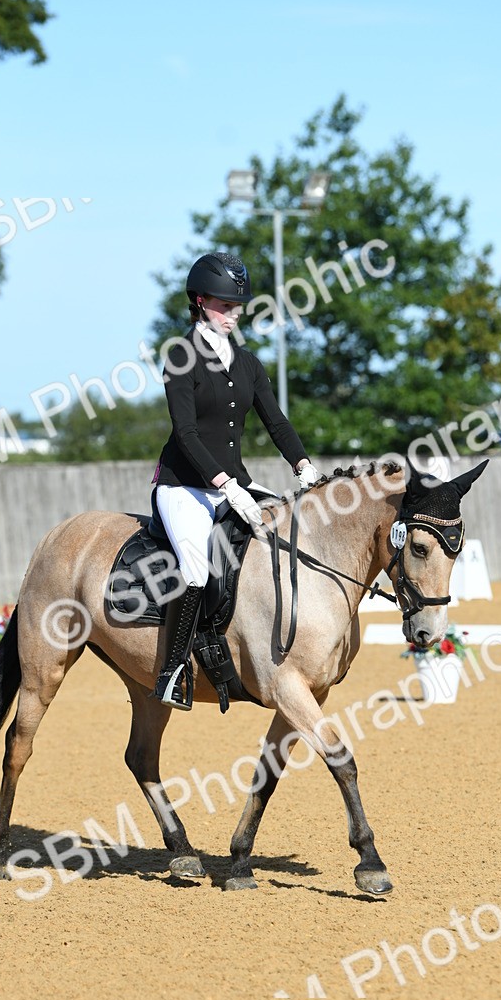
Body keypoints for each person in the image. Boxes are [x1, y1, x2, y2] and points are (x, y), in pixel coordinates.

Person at [151, 250, 319, 710]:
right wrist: (226, 486)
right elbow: (185, 434)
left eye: (238, 305)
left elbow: (276, 421)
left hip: (236, 483)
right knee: (195, 569)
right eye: (225, 305)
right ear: (201, 301)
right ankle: (172, 672)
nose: (234, 313)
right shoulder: (180, 356)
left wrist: (304, 466)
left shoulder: (246, 362)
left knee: (283, 537)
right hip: (184, 486)